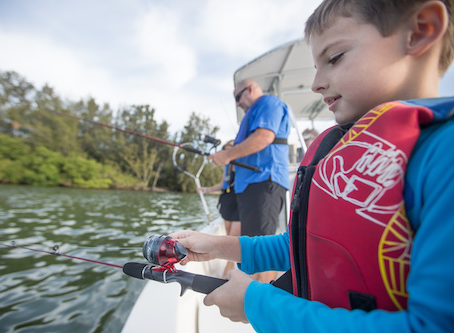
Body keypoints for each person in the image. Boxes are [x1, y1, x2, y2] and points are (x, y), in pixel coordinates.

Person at [171, 0, 454, 332]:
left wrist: (258, 304)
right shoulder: (337, 152)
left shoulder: (443, 158)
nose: (316, 83)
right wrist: (217, 246)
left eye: (334, 58)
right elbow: (304, 246)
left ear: (421, 30)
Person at [208, 78, 290, 283]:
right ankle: (253, 294)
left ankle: (266, 305)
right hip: (250, 188)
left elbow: (264, 137)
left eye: (238, 96)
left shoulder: (268, 103)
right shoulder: (254, 112)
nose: (237, 103)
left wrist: (227, 156)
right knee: (253, 244)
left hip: (264, 183)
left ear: (251, 89)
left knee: (263, 249)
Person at [198, 140, 240, 278]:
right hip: (227, 200)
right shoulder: (227, 166)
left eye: (230, 150)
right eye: (225, 150)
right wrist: (206, 189)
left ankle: (228, 269)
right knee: (228, 235)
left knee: (234, 237)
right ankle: (231, 265)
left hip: (240, 201)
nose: (227, 153)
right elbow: (222, 184)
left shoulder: (243, 165)